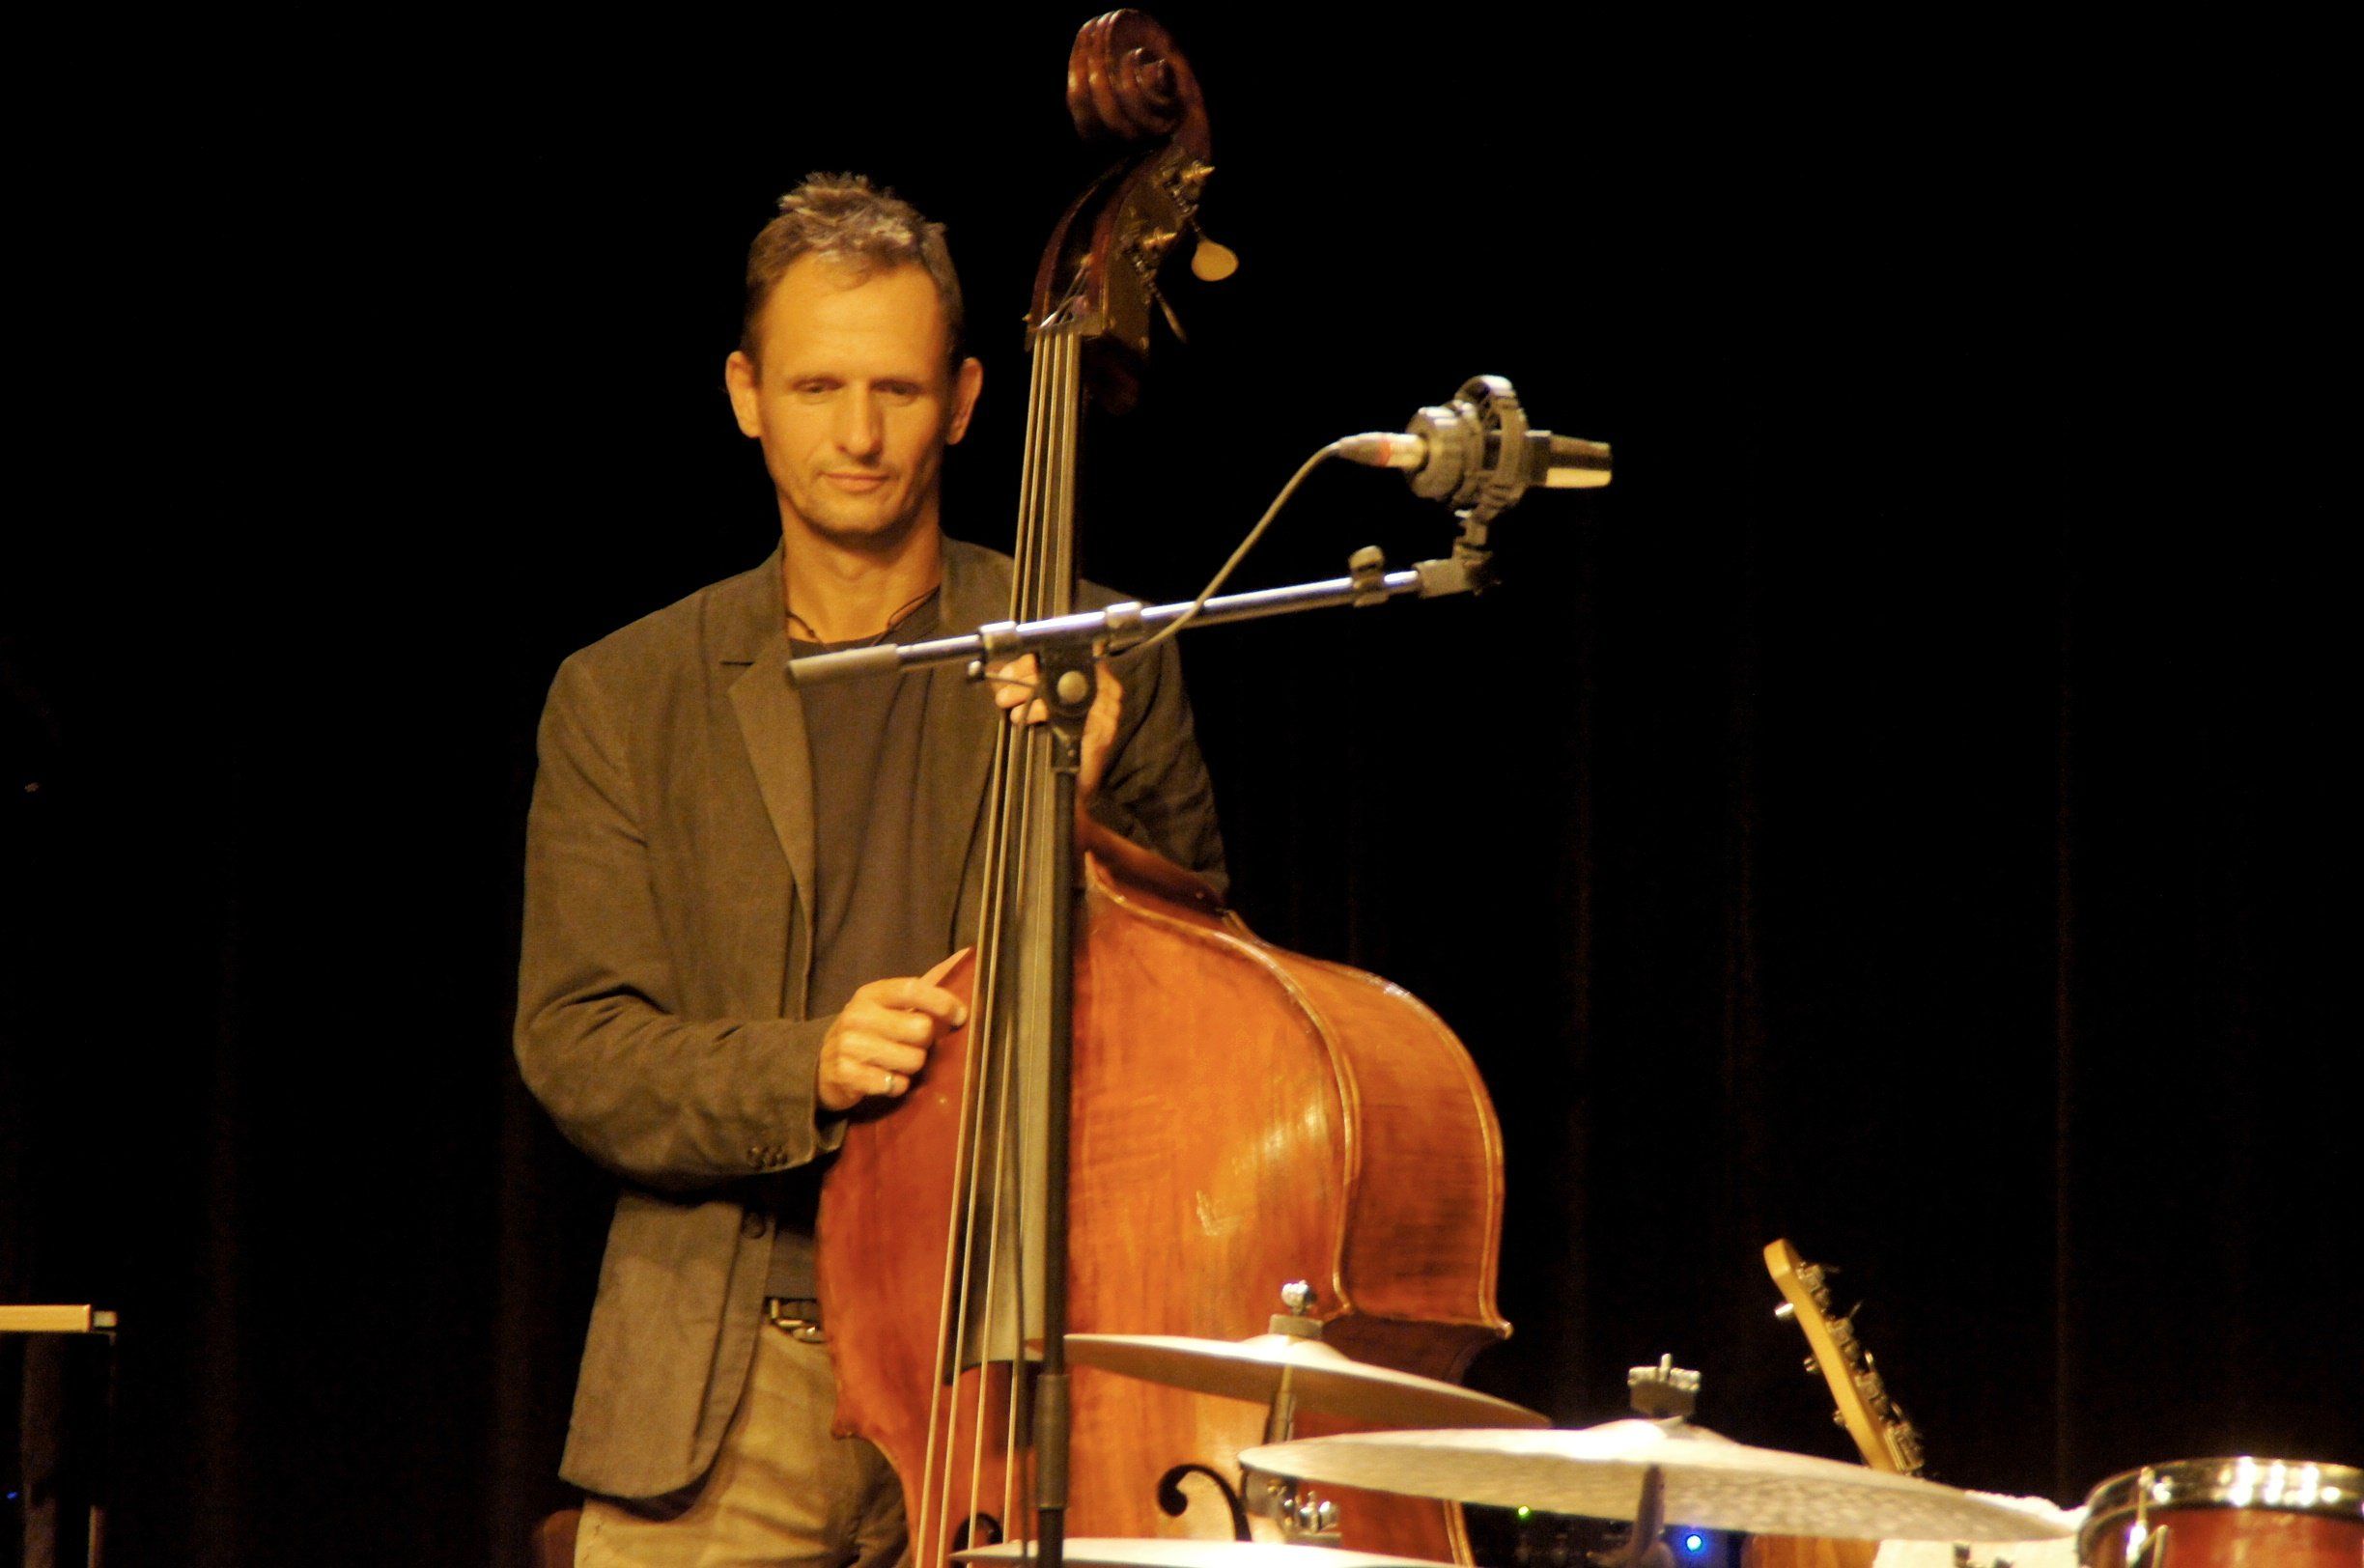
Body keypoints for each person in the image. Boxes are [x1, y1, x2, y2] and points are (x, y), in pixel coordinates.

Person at [515, 175, 1226, 1566]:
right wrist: (811, 1064)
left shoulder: (1098, 650)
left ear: (963, 401)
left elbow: (1206, 993)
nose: (857, 434)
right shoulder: (624, 693)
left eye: (896, 390)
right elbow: (578, 1046)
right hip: (729, 1379)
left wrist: (1090, 809)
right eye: (817, 386)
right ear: (746, 394)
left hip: (1024, 1361)